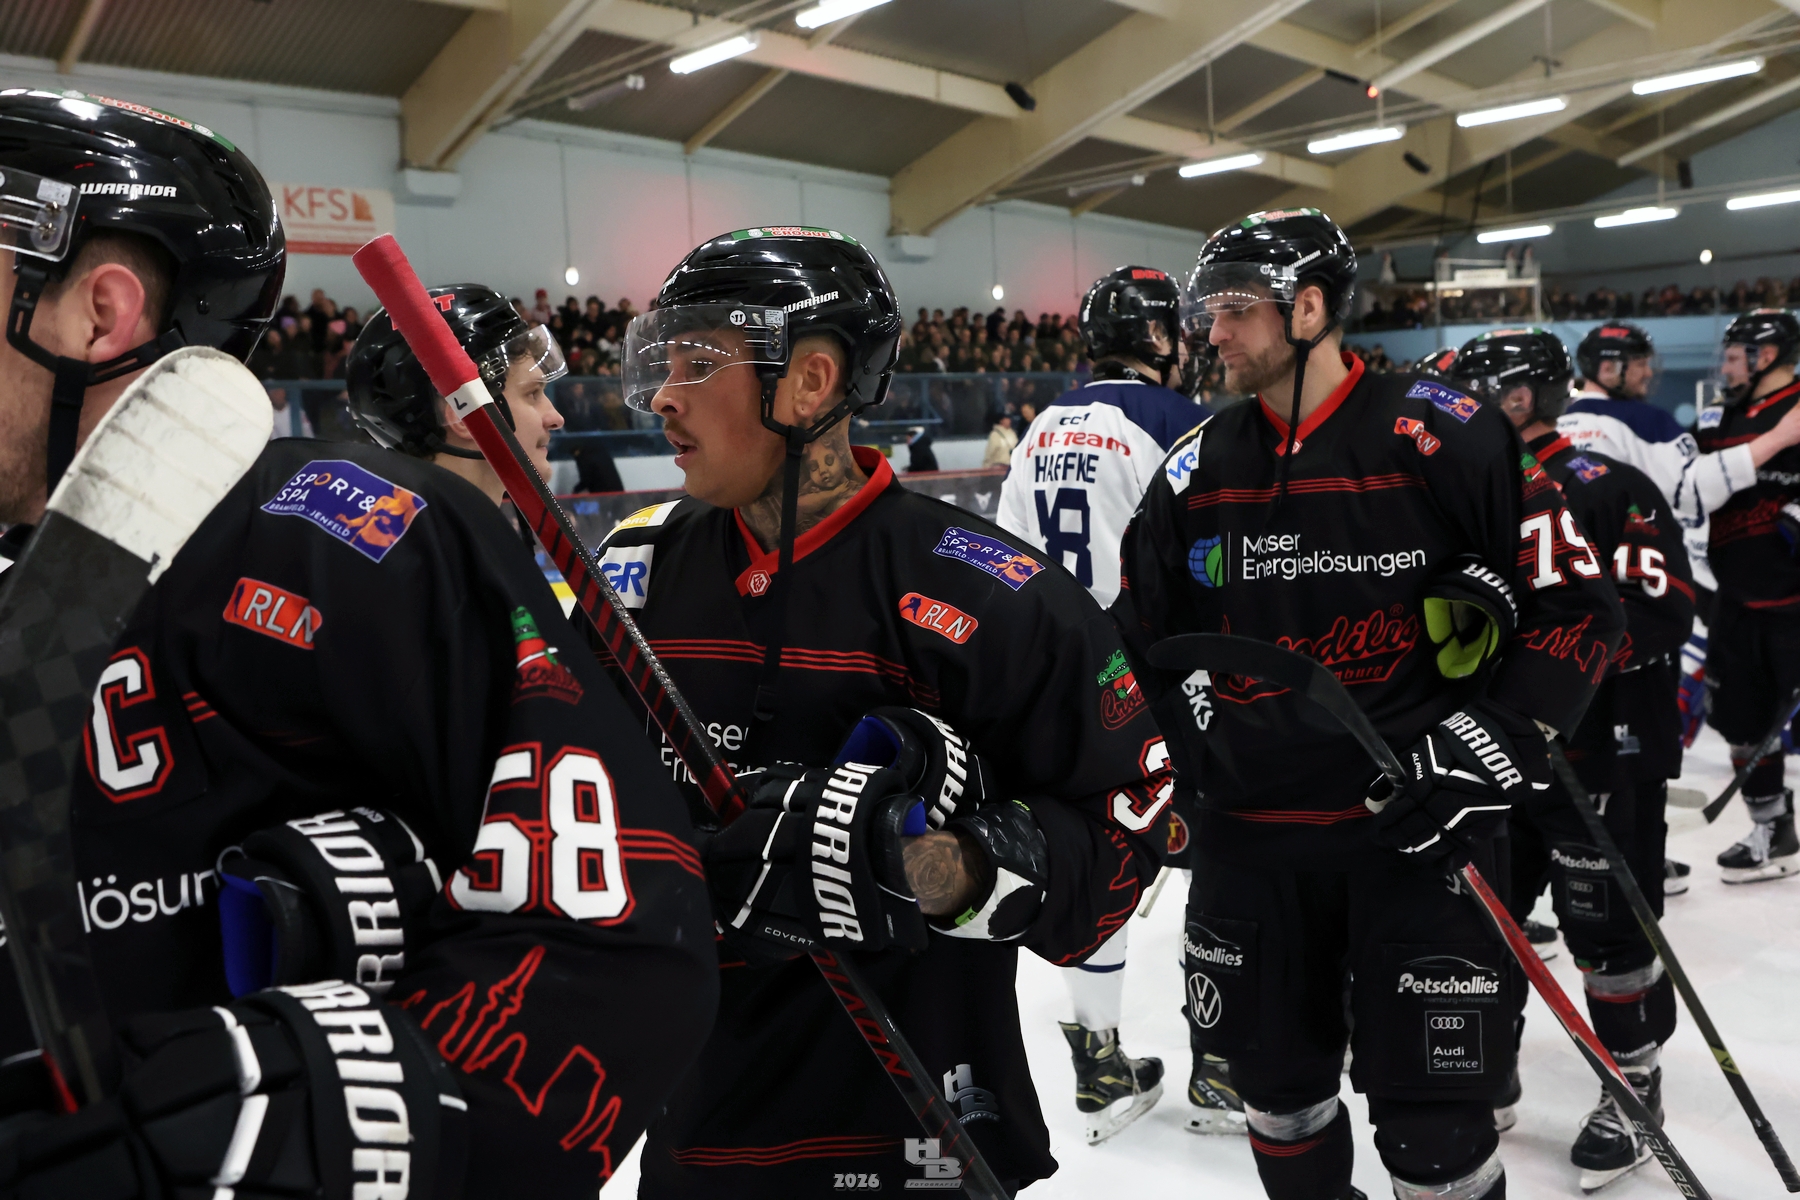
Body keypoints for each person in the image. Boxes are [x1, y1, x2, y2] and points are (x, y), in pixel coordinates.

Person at [0, 90, 716, 1199]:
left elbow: (619, 943)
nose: (555, 418)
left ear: (101, 313)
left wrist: (348, 1126)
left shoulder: (358, 545)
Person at [602, 225, 1171, 1197]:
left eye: (698, 363)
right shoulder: (634, 575)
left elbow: (1130, 826)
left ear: (810, 382)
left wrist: (932, 868)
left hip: (916, 1125)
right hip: (695, 1124)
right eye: (662, 364)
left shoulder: (993, 597)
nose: (663, 395)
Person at [1114, 209, 1624, 1200]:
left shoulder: (1445, 432)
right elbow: (1133, 647)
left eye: (1235, 308)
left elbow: (1577, 606)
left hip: (1420, 840)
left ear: (1309, 309)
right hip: (1254, 852)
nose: (1212, 332)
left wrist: (1493, 737)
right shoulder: (1196, 466)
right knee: (1278, 1102)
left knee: (1436, 1134)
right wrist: (1161, 775)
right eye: (1206, 310)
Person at [1448, 329, 1694, 1190]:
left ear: (1521, 397)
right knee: (1491, 923)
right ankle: (1492, 1066)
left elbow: (1660, 608)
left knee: (1607, 932)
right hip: (1499, 752)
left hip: (1600, 752)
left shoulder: (1606, 485)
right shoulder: (1465, 487)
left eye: (1475, 390)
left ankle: (1633, 1082)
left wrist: (1553, 679)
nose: (1459, 406)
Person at [995, 264, 1213, 1142]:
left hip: (1062, 682)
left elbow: (1004, 560)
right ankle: (1224, 1064)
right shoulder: (1176, 421)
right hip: (1163, 676)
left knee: (1099, 859)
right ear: (1159, 337)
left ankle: (1101, 1066)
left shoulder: (1040, 426)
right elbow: (1212, 556)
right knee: (1219, 857)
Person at [1693, 310, 1800, 882]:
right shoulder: (1719, 415)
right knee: (1742, 724)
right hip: (1734, 601)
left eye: (1735, 356)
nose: (1726, 366)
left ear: (1767, 357)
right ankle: (1772, 829)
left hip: (1794, 606)